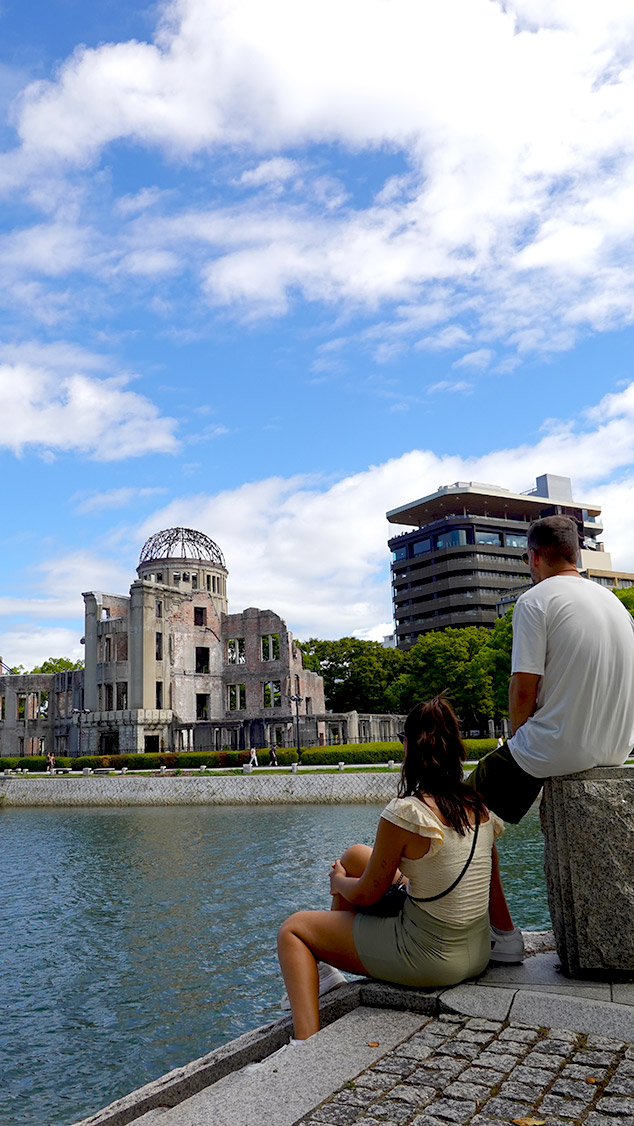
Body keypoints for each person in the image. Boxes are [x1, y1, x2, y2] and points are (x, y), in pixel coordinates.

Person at [276, 696, 502, 1042]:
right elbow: (491, 885)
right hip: (476, 950)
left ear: (410, 747)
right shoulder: (479, 806)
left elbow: (368, 892)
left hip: (430, 957)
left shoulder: (408, 813)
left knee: (292, 930)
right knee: (355, 855)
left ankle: (305, 1043)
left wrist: (338, 883)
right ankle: (327, 972)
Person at [469, 514, 634, 964]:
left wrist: (517, 742)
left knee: (459, 809)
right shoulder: (615, 604)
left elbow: (523, 689)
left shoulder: (536, 600)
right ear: (576, 554)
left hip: (556, 746)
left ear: (534, 556)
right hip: (617, 747)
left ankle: (500, 934)